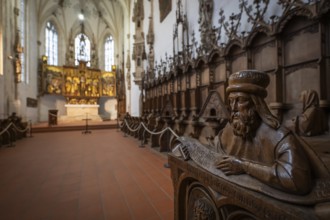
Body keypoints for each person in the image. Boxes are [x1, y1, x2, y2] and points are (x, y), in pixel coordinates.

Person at [215, 70, 312, 195]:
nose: (233, 108)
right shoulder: (231, 127)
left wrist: (244, 166)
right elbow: (216, 148)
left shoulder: (278, 136)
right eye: (231, 101)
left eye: (240, 100)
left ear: (256, 103)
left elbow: (297, 180)